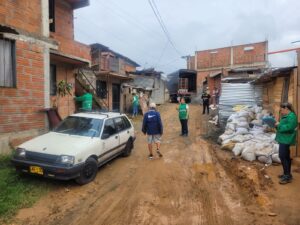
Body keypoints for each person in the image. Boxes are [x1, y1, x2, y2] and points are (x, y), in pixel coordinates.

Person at [275, 103, 298, 185]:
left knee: (282, 156)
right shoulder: (287, 116)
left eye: (282, 109)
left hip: (286, 139)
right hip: (283, 138)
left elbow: (290, 128)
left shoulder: (292, 116)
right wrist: (277, 125)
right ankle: (287, 174)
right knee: (286, 157)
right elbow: (285, 125)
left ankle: (287, 176)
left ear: (286, 109)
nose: (281, 111)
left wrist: (279, 125)